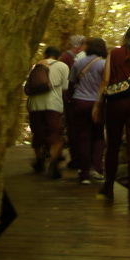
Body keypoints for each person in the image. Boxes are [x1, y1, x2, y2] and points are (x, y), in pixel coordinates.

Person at [92, 25, 130, 210]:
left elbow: (105, 81)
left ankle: (108, 187)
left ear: (125, 39)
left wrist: (98, 104)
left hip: (116, 104)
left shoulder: (113, 54)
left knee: (113, 145)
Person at [26, 46, 69, 179]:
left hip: (35, 104)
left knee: (38, 133)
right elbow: (65, 88)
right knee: (55, 135)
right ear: (58, 56)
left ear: (45, 54)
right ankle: (53, 165)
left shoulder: (38, 66)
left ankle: (39, 161)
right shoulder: (63, 66)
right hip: (53, 104)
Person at [69, 37, 107, 184]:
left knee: (83, 136)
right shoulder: (104, 65)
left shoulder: (78, 63)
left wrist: (70, 101)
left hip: (79, 101)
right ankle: (96, 169)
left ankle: (84, 173)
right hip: (97, 104)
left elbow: (71, 83)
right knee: (98, 135)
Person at [59, 34, 86, 168]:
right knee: (77, 129)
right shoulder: (70, 58)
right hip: (78, 97)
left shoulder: (65, 57)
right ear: (81, 45)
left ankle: (76, 157)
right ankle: (79, 158)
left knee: (73, 129)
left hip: (71, 98)